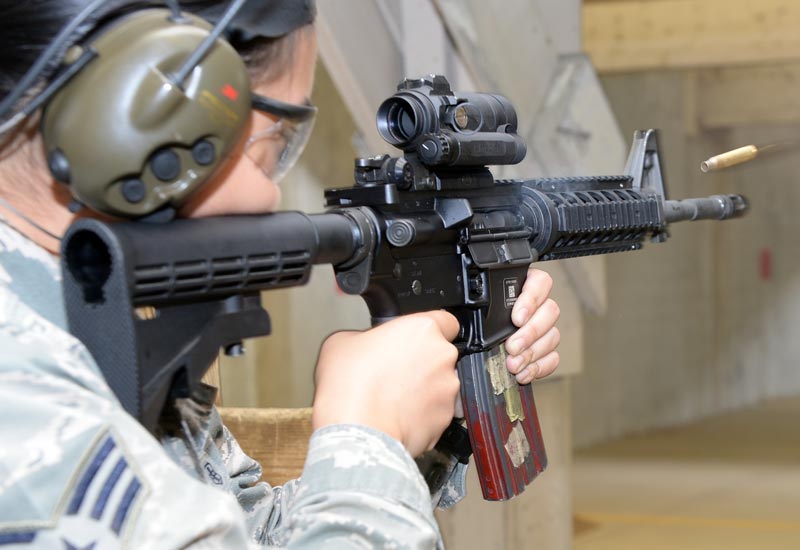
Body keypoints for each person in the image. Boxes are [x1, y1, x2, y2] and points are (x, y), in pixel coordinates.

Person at [0, 1, 562, 548]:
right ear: (138, 121)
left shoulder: (73, 328)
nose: (272, 194)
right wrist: (371, 431)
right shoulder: (22, 399)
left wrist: (415, 418)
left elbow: (254, 532)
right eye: (278, 139)